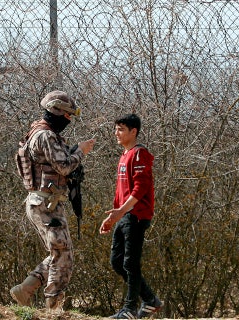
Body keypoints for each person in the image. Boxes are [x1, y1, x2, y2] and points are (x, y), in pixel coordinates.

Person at [11, 90, 96, 311]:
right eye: (67, 115)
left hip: (47, 203)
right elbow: (65, 166)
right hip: (45, 204)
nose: (68, 120)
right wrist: (81, 152)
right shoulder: (45, 136)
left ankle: (26, 289)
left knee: (59, 252)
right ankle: (53, 307)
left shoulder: (40, 133)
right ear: (56, 112)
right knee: (63, 255)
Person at [99, 114, 163, 319]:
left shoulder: (139, 154)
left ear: (133, 131)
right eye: (116, 129)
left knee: (130, 263)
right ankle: (151, 300)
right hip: (124, 215)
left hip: (136, 215)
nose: (116, 133)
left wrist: (122, 211)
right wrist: (113, 217)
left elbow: (141, 188)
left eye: (120, 129)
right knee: (117, 261)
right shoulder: (124, 155)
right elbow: (121, 193)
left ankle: (129, 309)